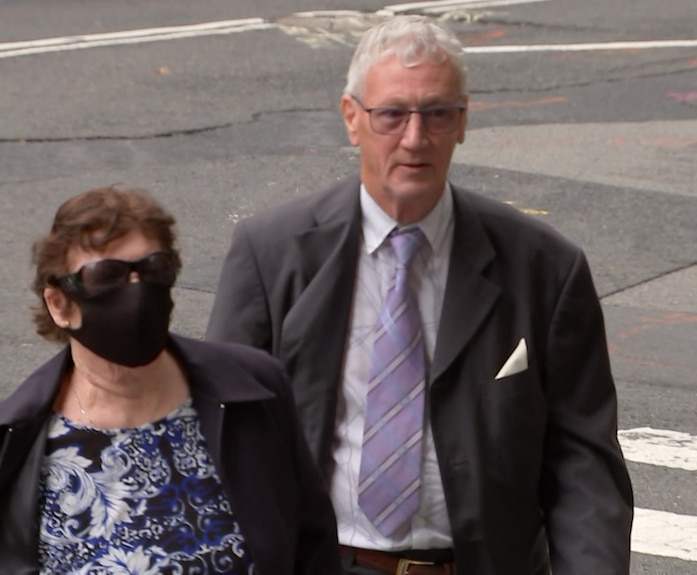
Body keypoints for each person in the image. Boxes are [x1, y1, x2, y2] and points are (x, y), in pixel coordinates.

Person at [205, 14, 634, 575]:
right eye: (392, 115)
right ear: (352, 119)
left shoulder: (544, 267)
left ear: (461, 122)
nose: (414, 138)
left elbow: (584, 462)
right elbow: (224, 436)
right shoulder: (273, 254)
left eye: (436, 113)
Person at [0, 186, 341, 575]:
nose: (136, 289)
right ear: (59, 304)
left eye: (153, 269)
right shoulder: (1, 445)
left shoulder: (253, 390)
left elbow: (313, 544)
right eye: (107, 274)